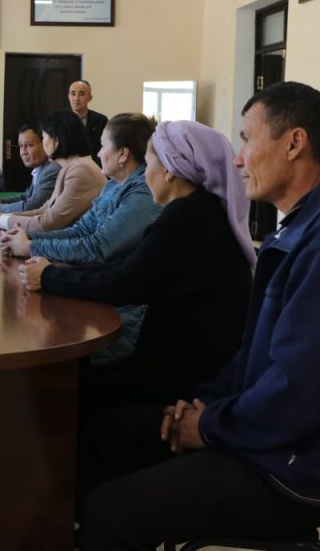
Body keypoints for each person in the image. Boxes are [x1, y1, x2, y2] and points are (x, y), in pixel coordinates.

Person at [76, 82, 320, 550]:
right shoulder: (308, 228)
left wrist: (208, 426)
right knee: (105, 435)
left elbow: (296, 393)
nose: (237, 160)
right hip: (269, 437)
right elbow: (254, 356)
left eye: (247, 139)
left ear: (294, 143)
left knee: (110, 512)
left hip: (297, 469)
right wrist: (201, 405)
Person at [20, 120, 254, 410]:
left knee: (62, 400)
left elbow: (124, 283)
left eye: (150, 164)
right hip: (176, 366)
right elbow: (130, 266)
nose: (145, 175)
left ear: (169, 171)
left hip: (181, 384)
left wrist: (49, 277)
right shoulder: (198, 211)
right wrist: (55, 272)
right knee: (68, 386)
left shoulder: (186, 218)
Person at [0, 113, 161, 265]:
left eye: (103, 146)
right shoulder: (113, 184)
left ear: (123, 154)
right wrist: (26, 237)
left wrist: (31, 247)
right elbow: (82, 230)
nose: (99, 154)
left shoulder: (143, 191)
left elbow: (98, 247)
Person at [0, 110, 104, 233]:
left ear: (56, 141)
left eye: (43, 137)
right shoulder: (69, 168)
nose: (43, 143)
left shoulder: (80, 170)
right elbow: (44, 210)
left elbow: (47, 223)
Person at [0, 123, 59, 214]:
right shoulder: (40, 169)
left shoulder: (51, 170)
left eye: (29, 145)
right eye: (21, 146)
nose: (23, 152)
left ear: (44, 144)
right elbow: (26, 197)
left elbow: (32, 206)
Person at [68, 79, 108, 167]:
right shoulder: (61, 121)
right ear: (68, 96)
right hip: (68, 167)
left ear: (90, 98)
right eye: (73, 94)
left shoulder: (100, 120)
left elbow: (104, 147)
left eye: (81, 94)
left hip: (95, 167)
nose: (76, 99)